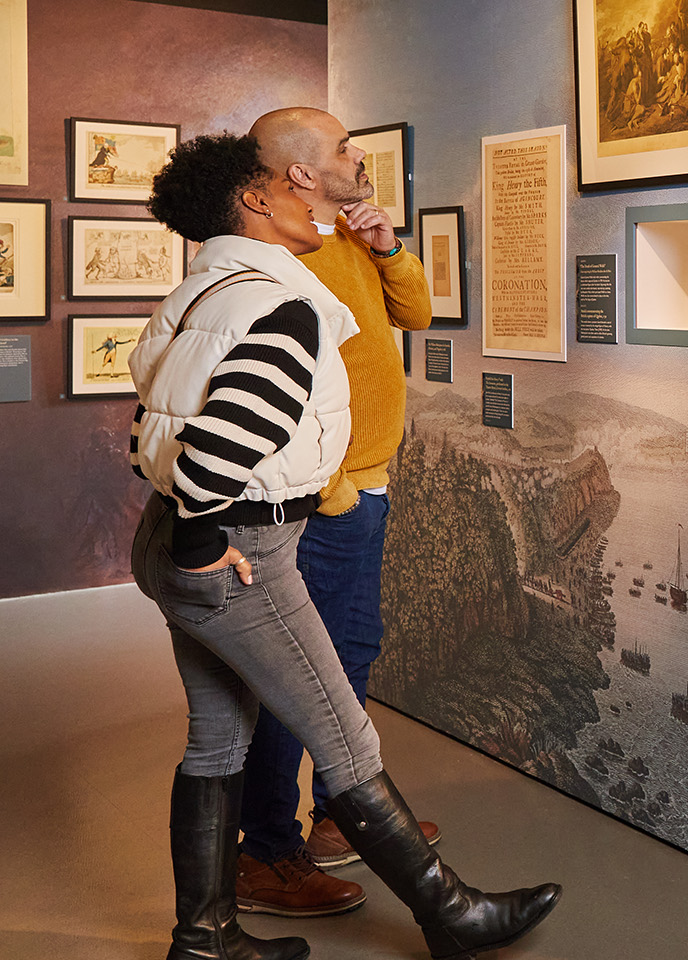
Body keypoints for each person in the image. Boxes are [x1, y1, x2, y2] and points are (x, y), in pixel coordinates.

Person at [129, 132, 559, 960]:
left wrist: (181, 535)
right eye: (288, 187)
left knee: (217, 738)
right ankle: (453, 914)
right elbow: (218, 450)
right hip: (237, 548)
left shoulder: (206, 289)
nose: (310, 199)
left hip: (189, 537)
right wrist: (199, 543)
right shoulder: (280, 305)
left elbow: (156, 414)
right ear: (256, 200)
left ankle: (207, 937)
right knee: (343, 733)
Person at [224, 106, 436, 919]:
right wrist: (338, 489)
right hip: (325, 494)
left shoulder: (343, 234)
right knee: (298, 674)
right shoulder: (277, 253)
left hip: (363, 482)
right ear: (302, 172)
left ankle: (336, 818)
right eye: (345, 147)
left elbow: (414, 316)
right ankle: (267, 853)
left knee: (348, 654)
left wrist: (390, 249)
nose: (360, 156)